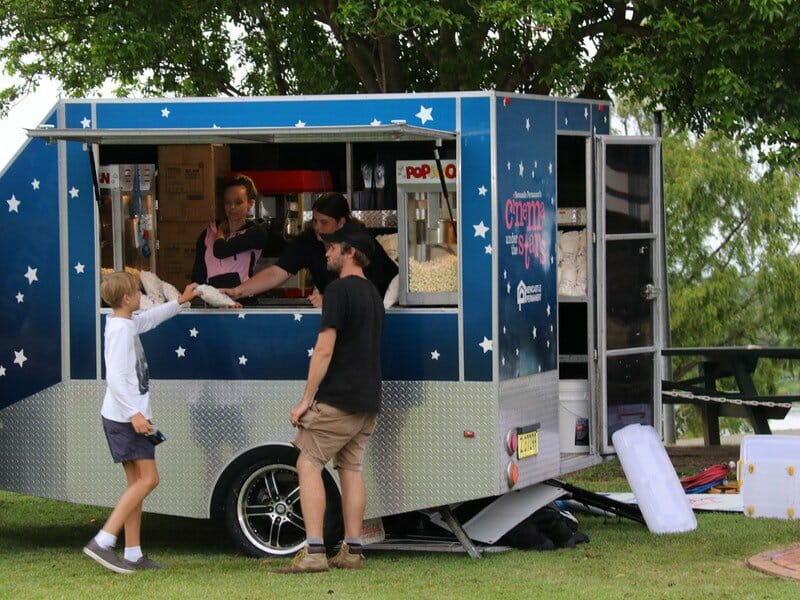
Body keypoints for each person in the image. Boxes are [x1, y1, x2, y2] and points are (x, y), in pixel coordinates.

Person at [272, 222, 384, 574]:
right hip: (368, 400)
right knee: (351, 468)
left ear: (351, 252)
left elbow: (324, 349)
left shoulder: (337, 291)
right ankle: (352, 550)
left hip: (339, 398)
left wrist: (306, 399)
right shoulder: (372, 293)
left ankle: (316, 552)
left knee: (307, 463)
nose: (326, 252)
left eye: (333, 247)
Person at [83, 271, 199, 574]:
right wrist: (134, 413)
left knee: (136, 484)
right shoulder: (121, 331)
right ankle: (103, 540)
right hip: (127, 418)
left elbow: (149, 319)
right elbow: (115, 378)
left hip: (125, 416)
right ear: (126, 298)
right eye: (137, 291)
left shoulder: (124, 323)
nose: (141, 295)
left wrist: (180, 302)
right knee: (149, 480)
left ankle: (133, 554)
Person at [222, 191, 397, 308]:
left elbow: (368, 294)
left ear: (342, 223)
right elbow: (278, 272)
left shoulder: (361, 244)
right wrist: (238, 291)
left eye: (324, 222)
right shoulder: (308, 241)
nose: (317, 228)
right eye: (314, 221)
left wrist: (331, 301)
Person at [191, 173, 269, 301]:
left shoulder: (256, 233)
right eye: (228, 203)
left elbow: (221, 251)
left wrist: (220, 232)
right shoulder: (207, 233)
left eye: (238, 202)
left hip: (243, 303)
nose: (232, 207)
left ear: (250, 203)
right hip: (213, 304)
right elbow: (198, 275)